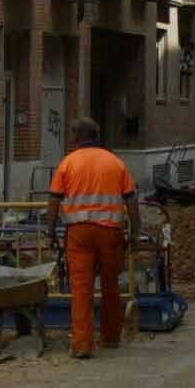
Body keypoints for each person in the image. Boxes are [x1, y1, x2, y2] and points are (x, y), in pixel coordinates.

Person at [47, 117, 140, 360]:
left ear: (77, 137)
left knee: (81, 288)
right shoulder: (116, 163)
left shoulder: (67, 164)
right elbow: (131, 201)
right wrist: (135, 234)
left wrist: (50, 232)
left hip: (79, 233)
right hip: (111, 232)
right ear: (96, 136)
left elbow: (54, 199)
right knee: (110, 285)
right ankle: (110, 337)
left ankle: (82, 345)